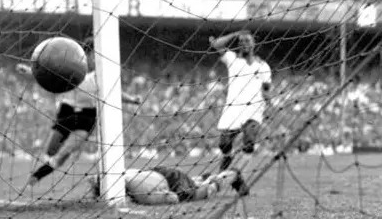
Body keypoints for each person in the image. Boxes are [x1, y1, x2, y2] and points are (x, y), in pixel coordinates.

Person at [15, 37, 142, 189]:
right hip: (67, 112)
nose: (96, 58)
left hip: (87, 116)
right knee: (50, 151)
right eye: (93, 54)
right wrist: (29, 71)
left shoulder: (101, 74)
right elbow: (50, 74)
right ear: (86, 54)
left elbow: (114, 92)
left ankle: (36, 177)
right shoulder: (71, 67)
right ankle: (47, 167)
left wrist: (132, 99)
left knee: (65, 152)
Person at [209, 30, 272, 196]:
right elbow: (216, 44)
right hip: (233, 108)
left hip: (254, 109)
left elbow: (266, 89)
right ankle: (231, 169)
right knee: (224, 144)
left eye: (247, 41)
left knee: (249, 141)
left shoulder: (263, 66)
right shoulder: (232, 59)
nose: (244, 43)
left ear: (254, 43)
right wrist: (235, 33)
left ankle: (237, 174)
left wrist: (269, 104)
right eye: (241, 41)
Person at [89, 167, 239, 205]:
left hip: (173, 181)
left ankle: (232, 175)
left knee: (203, 191)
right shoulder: (122, 173)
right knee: (195, 183)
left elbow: (172, 198)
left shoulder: (140, 191)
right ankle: (207, 178)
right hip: (161, 171)